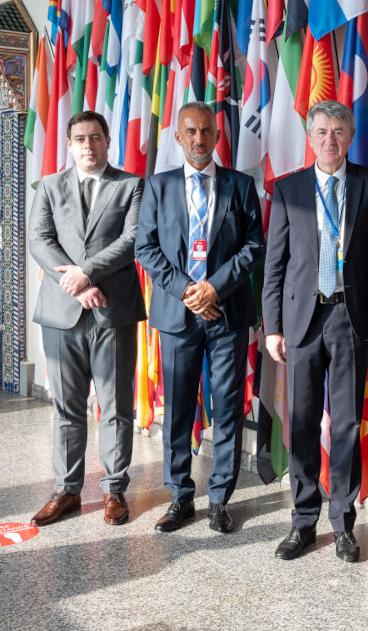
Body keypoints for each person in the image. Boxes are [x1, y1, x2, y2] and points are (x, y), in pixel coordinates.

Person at [261, 100, 368, 561]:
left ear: (350, 136)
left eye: (338, 131)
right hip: (300, 321)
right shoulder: (288, 189)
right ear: (309, 137)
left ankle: (343, 524)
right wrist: (271, 327)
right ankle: (302, 521)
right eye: (321, 132)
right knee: (300, 424)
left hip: (350, 319)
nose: (330, 140)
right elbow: (273, 264)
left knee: (346, 427)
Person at [135, 102, 265, 535]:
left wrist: (215, 288)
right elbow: (146, 249)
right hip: (177, 315)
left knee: (226, 408)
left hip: (226, 313)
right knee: (177, 408)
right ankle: (180, 497)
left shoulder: (240, 186)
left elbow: (253, 246)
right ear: (177, 136)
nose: (198, 139)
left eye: (206, 131)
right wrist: (190, 292)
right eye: (189, 131)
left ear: (216, 135)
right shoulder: (157, 187)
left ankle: (220, 500)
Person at [27, 111, 146, 527]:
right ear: (69, 143)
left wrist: (87, 272)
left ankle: (114, 490)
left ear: (108, 140)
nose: (88, 146)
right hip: (61, 315)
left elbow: (133, 239)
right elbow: (38, 239)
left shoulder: (131, 185)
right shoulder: (49, 186)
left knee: (115, 407)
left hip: (113, 313)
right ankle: (67, 491)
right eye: (80, 139)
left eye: (95, 138)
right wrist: (77, 284)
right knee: (67, 407)